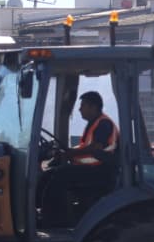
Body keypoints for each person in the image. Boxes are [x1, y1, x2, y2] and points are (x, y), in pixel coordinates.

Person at [38, 91, 118, 225]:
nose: (80, 109)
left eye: (83, 105)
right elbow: (84, 146)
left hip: (101, 171)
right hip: (91, 169)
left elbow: (95, 148)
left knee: (60, 176)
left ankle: (54, 220)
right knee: (49, 174)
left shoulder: (104, 124)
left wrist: (69, 154)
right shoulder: (95, 123)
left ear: (93, 107)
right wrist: (66, 151)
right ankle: (43, 212)